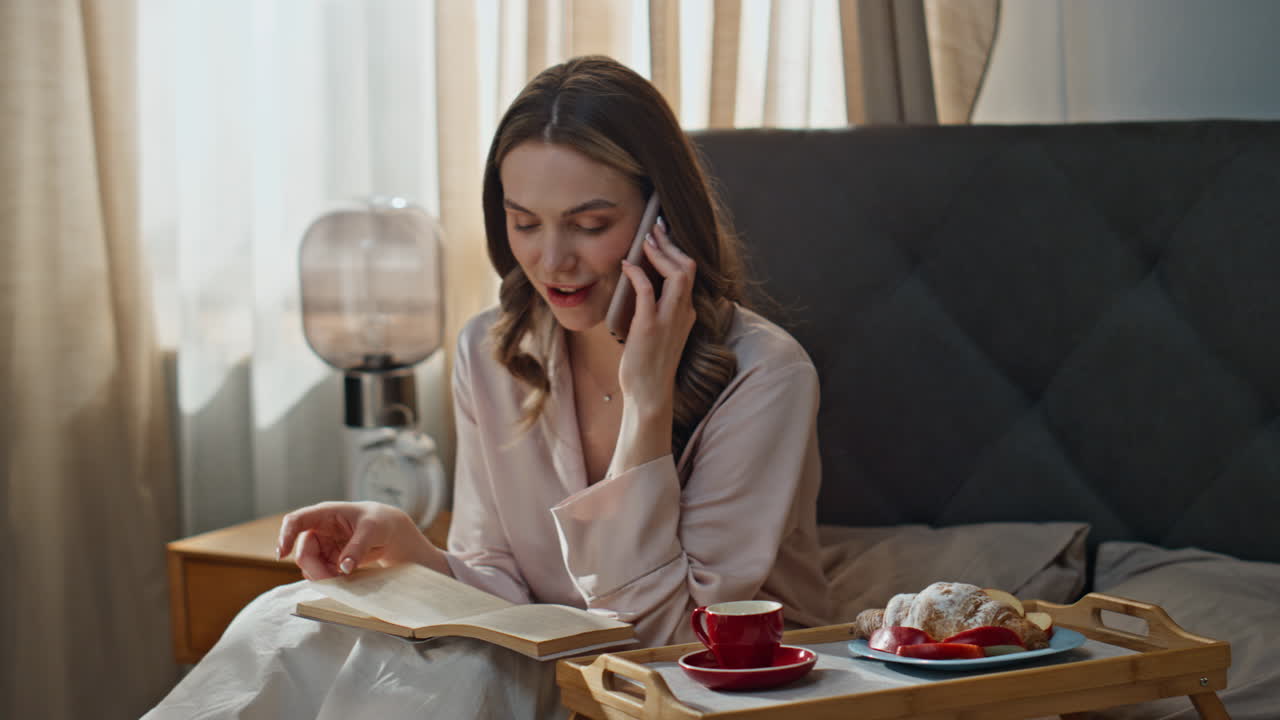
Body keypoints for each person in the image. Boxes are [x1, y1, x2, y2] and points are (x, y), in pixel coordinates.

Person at [146, 55, 831, 720]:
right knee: (283, 621)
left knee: (445, 680)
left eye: (591, 225)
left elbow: (669, 641)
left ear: (663, 220)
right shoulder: (491, 350)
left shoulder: (767, 376)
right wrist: (411, 548)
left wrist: (645, 403)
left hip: (690, 691)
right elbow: (503, 591)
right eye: (524, 222)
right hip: (542, 663)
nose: (552, 260)